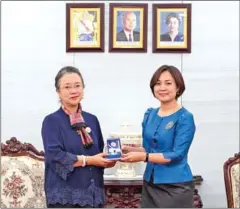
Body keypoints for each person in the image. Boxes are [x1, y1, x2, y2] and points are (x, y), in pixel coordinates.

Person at [121, 65, 196, 208]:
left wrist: (144, 157)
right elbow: (147, 149)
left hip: (175, 186)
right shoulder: (150, 114)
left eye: (168, 83)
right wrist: (126, 149)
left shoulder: (185, 117)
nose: (162, 88)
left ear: (178, 87)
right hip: (150, 183)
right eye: (158, 83)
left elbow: (176, 154)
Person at [41, 66, 116, 208]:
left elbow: (98, 153)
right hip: (65, 196)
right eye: (67, 87)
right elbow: (55, 155)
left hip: (93, 194)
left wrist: (108, 160)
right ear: (58, 92)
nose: (73, 91)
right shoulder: (51, 121)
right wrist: (89, 160)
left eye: (77, 85)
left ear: (83, 89)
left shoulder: (92, 120)